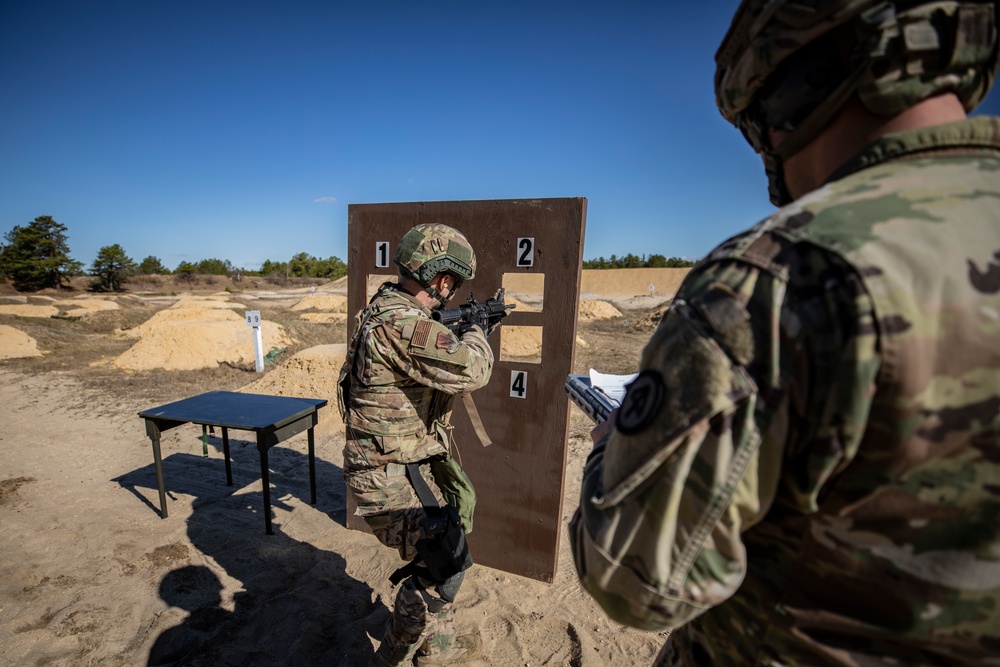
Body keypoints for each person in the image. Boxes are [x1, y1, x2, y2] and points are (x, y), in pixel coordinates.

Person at [570, 1, 1000, 665]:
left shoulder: (775, 282)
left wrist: (609, 449)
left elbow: (635, 578)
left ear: (793, 93)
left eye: (756, 120)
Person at [338, 223, 494, 666]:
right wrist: (478, 330)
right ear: (443, 280)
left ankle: (437, 643)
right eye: (454, 283)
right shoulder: (404, 324)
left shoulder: (385, 306)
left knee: (444, 547)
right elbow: (472, 370)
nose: (453, 290)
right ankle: (391, 657)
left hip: (398, 463)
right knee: (444, 565)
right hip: (386, 475)